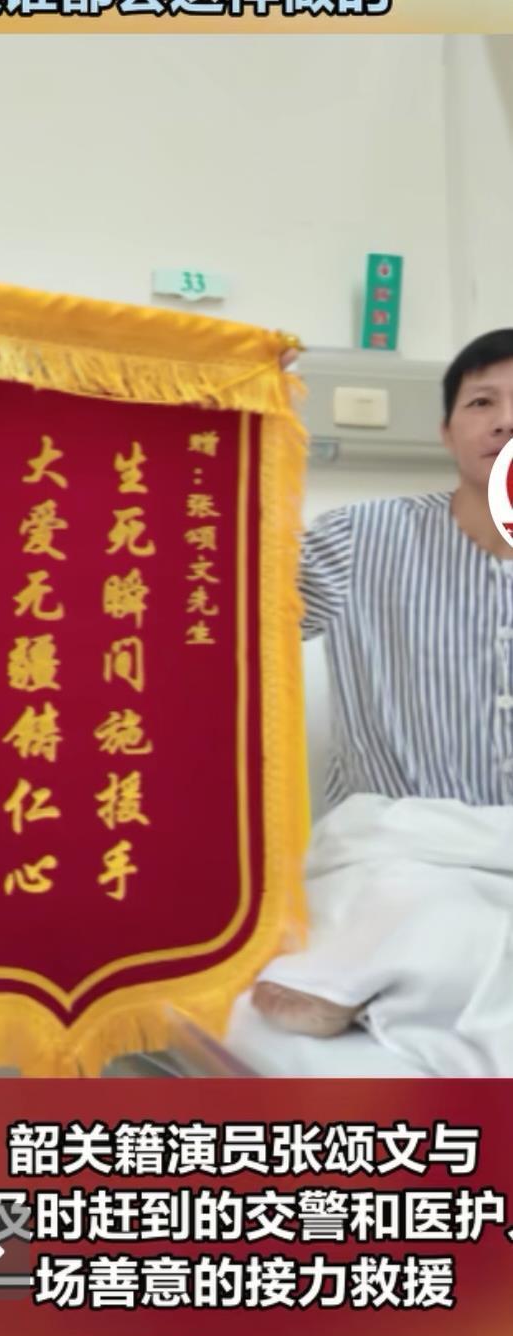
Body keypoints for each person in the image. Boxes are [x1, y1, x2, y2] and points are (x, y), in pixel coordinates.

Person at [252, 330, 513, 1073]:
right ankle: (356, 968)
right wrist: (237, 426)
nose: (505, 421)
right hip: (400, 849)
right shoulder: (359, 541)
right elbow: (223, 615)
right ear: (446, 432)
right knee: (430, 909)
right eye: (482, 402)